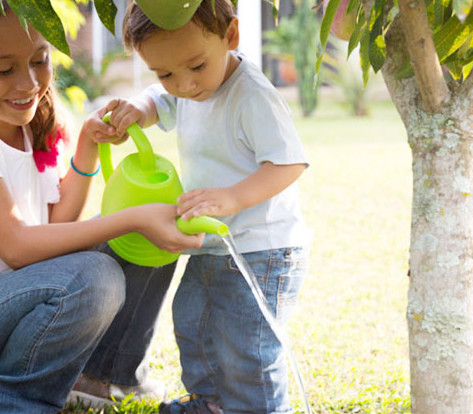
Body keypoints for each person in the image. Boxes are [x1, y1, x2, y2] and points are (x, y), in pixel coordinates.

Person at [96, 1, 311, 413]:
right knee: (195, 322)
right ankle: (210, 402)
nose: (185, 84)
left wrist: (232, 197)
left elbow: (288, 163)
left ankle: (254, 407)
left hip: (261, 249)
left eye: (195, 66)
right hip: (213, 242)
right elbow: (163, 99)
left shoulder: (251, 96)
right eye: (165, 72)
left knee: (245, 341)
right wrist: (139, 109)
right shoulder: (191, 85)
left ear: (230, 36)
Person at [0, 4, 204, 413]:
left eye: (39, 61)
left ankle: (103, 377)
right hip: (12, 297)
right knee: (97, 274)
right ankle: (17, 400)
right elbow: (18, 247)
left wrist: (87, 146)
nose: (28, 82)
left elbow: (56, 225)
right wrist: (128, 219)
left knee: (143, 235)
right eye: (4, 70)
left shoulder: (32, 126)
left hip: (24, 295)